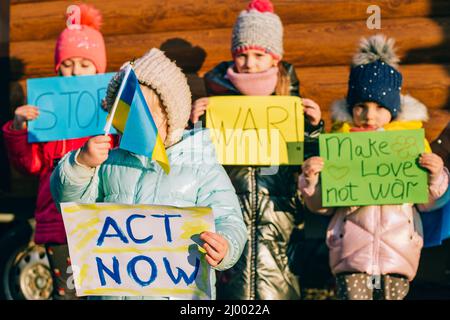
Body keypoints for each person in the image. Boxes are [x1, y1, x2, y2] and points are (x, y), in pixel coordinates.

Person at [50, 48, 247, 300]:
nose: (136, 121)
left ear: (171, 116)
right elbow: (71, 205)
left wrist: (225, 246)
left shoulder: (201, 165)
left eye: (146, 113)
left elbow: (229, 217)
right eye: (128, 113)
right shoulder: (108, 162)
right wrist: (81, 164)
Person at [298, 34, 449, 300]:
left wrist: (436, 175)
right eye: (361, 106)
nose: (369, 115)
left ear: (394, 109)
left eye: (380, 107)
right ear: (351, 108)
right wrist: (310, 180)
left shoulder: (412, 145)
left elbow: (428, 202)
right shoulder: (339, 144)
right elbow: (322, 206)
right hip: (350, 255)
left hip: (398, 254)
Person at [190, 0, 323, 299]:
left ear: (275, 59)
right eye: (242, 55)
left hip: (279, 223)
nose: (250, 63)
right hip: (228, 220)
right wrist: (196, 126)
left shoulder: (293, 104)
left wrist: (313, 129)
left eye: (260, 55)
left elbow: (309, 164)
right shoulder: (214, 104)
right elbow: (196, 165)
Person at [2, 4, 116, 300]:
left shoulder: (110, 114)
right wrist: (18, 129)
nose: (75, 71)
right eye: (67, 64)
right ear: (57, 68)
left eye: (84, 63)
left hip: (101, 223)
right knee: (67, 294)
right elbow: (30, 166)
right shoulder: (47, 113)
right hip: (58, 225)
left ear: (98, 70)